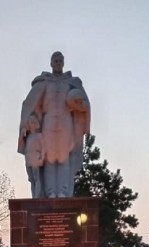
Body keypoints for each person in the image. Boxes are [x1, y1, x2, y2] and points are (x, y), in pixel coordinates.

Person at [18, 51, 90, 198]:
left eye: (60, 60)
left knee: (63, 158)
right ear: (51, 63)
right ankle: (51, 192)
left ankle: (63, 191)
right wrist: (27, 123)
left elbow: (84, 105)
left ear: (63, 62)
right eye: (55, 60)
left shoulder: (72, 82)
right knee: (49, 159)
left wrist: (79, 104)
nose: (58, 63)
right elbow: (30, 104)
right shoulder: (44, 81)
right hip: (48, 123)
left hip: (66, 122)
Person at [24, 113, 45, 199]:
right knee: (31, 179)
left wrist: (42, 157)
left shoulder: (39, 136)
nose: (32, 124)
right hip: (28, 158)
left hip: (36, 157)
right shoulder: (28, 137)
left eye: (33, 122)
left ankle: (37, 197)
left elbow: (44, 147)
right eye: (30, 122)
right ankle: (34, 196)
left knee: (37, 178)